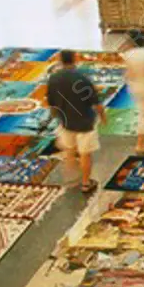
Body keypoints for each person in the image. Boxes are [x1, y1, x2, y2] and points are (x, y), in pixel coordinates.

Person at [47, 50, 106, 192]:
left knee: (69, 150)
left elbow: (51, 102)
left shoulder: (54, 78)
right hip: (85, 122)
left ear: (60, 60)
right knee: (85, 154)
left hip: (66, 121)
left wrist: (56, 117)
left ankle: (70, 179)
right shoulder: (82, 79)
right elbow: (95, 103)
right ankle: (85, 183)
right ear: (75, 59)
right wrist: (103, 117)